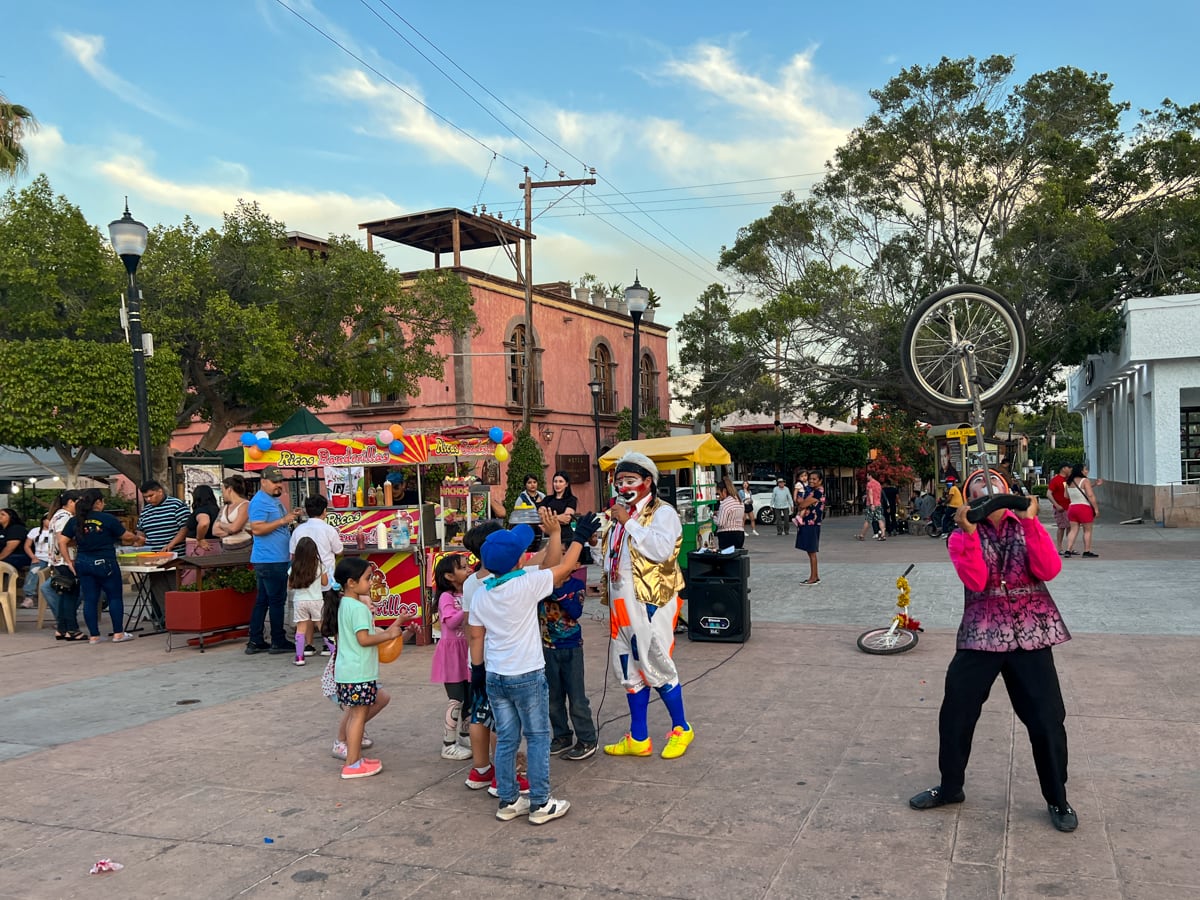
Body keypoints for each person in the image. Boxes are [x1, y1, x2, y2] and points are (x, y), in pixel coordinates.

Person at [909, 477, 1078, 833]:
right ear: (969, 501)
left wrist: (1031, 522)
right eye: (978, 490)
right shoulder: (959, 536)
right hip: (982, 632)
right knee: (956, 712)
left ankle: (1057, 797)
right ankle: (951, 787)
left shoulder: (1027, 526)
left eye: (994, 486)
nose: (987, 493)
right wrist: (970, 533)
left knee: (1047, 720)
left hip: (1032, 632)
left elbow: (1049, 569)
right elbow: (975, 579)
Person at [467, 507, 596, 824]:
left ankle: (509, 800)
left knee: (509, 738)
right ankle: (540, 803)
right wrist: (576, 535)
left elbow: (475, 636)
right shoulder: (526, 585)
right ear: (519, 560)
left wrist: (478, 673)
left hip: (496, 677)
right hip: (526, 675)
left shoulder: (483, 594)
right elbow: (564, 567)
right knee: (538, 737)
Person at [601, 451, 695, 760]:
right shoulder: (619, 516)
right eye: (619, 482)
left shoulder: (662, 512)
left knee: (654, 661)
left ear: (648, 482)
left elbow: (660, 549)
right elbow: (611, 557)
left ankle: (682, 727)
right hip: (620, 601)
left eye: (629, 481)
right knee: (627, 667)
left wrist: (628, 523)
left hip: (650, 601)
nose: (622, 487)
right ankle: (639, 736)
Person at [325, 555, 418, 779]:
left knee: (356, 715)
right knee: (358, 716)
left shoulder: (345, 604)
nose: (370, 583)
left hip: (349, 670)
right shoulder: (358, 608)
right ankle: (352, 764)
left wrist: (394, 631)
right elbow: (364, 639)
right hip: (358, 672)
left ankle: (354, 758)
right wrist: (389, 633)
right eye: (368, 578)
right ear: (351, 583)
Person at [459, 518, 530, 797]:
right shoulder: (503, 580)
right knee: (504, 720)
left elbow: (469, 625)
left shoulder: (469, 583)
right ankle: (506, 774)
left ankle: (480, 769)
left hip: (476, 660)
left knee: (479, 715)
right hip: (500, 660)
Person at [59, 488, 142, 644]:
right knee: (114, 597)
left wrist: (69, 561)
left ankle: (94, 636)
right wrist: (138, 539)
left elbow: (62, 541)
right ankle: (118, 633)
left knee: (90, 599)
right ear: (98, 502)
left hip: (82, 562)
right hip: (105, 562)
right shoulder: (107, 518)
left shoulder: (75, 520)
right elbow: (126, 536)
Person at [246, 465, 302, 655]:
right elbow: (257, 529)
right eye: (275, 482)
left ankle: (255, 640)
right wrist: (283, 520)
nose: (279, 485)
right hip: (271, 559)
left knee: (263, 600)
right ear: (263, 482)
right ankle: (277, 639)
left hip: (271, 558)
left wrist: (289, 518)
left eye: (280, 481)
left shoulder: (271, 500)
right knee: (277, 600)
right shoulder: (260, 502)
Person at [542, 570, 596, 761]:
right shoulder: (543, 583)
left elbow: (575, 612)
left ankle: (587, 738)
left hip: (572, 648)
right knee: (552, 698)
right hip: (548, 648)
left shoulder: (576, 585)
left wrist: (560, 593)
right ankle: (561, 735)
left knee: (577, 696)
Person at [430, 553, 474, 761]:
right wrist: (467, 607)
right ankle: (448, 744)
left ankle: (466, 735)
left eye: (467, 566)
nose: (468, 570)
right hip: (452, 653)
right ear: (449, 576)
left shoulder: (468, 592)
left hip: (468, 650)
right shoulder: (447, 597)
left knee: (470, 697)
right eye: (462, 568)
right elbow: (450, 622)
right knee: (456, 698)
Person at [290, 494, 344, 655]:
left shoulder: (299, 530)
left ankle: (308, 645)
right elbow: (339, 550)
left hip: (304, 580)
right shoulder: (329, 529)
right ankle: (329, 646)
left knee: (304, 615)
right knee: (326, 614)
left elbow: (292, 554)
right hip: (325, 579)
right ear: (325, 511)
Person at [43, 490, 85, 641]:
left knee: (63, 594)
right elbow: (63, 540)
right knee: (70, 596)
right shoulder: (65, 517)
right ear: (71, 502)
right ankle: (72, 629)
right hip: (66, 560)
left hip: (58, 561)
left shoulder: (56, 515)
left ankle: (61, 628)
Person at [288, 536, 328, 667]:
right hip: (316, 600)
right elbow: (325, 582)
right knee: (322, 626)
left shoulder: (294, 567)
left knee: (301, 629)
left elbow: (290, 585)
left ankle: (299, 657)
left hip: (299, 601)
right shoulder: (320, 566)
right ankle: (335, 652)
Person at [136, 481, 190, 553]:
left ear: (160, 491)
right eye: (145, 497)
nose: (148, 499)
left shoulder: (177, 505)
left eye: (151, 496)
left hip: (175, 555)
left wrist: (171, 545)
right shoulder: (145, 511)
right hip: (152, 556)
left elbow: (185, 528)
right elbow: (141, 532)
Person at [1064, 464, 1101, 558]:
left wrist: (1094, 485)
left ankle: (1068, 550)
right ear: (1080, 471)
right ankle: (1086, 551)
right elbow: (1090, 495)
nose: (1087, 471)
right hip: (1084, 508)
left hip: (1072, 508)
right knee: (1087, 530)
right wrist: (1096, 509)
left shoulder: (1069, 481)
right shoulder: (1085, 480)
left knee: (1073, 530)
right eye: (1085, 469)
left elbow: (1066, 496)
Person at [795, 471, 825, 585]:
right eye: (810, 479)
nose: (811, 481)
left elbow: (802, 504)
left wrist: (802, 503)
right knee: (810, 551)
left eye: (814, 479)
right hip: (809, 523)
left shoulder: (818, 492)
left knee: (811, 551)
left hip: (812, 524)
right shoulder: (812, 491)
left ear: (820, 481)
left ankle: (813, 577)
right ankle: (815, 575)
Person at [21, 514, 52, 608]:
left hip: (52, 559)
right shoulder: (35, 531)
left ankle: (50, 599)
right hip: (39, 558)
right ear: (43, 520)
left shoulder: (56, 531)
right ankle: (29, 597)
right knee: (33, 574)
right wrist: (33, 557)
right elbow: (27, 546)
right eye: (48, 519)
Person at [212, 475, 251, 549]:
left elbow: (234, 528)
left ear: (229, 489)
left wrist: (220, 524)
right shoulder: (224, 508)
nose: (222, 494)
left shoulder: (245, 505)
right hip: (226, 547)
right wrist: (230, 532)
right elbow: (214, 531)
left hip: (243, 547)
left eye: (223, 490)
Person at [538, 471, 577, 545]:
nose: (557, 484)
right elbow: (542, 517)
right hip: (549, 535)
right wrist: (559, 517)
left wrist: (549, 518)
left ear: (566, 484)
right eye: (555, 481)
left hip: (566, 537)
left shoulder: (571, 499)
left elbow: (566, 519)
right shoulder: (547, 499)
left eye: (561, 481)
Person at [185, 484, 221, 557]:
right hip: (215, 544)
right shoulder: (216, 510)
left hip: (200, 548)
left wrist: (200, 538)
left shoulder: (202, 510)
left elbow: (204, 523)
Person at [714, 476, 746, 550]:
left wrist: (713, 517)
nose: (718, 497)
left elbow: (721, 523)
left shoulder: (725, 503)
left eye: (718, 493)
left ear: (724, 491)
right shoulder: (739, 500)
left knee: (726, 558)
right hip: (740, 533)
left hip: (727, 535)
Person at [1046, 463, 1072, 554]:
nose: (1070, 470)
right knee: (1061, 527)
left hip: (1070, 507)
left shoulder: (1069, 480)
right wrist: (1056, 505)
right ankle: (1059, 547)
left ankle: (1070, 547)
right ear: (1063, 468)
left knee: (1070, 527)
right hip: (1060, 508)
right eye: (1069, 468)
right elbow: (1049, 494)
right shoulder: (1055, 480)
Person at [0, 508, 33, 577]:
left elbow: (10, 548)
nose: (0, 516)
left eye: (3, 514)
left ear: (11, 517)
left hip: (20, 556)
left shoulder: (16, 528)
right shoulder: (2, 530)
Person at [857, 474, 885, 541]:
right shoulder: (878, 484)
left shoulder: (869, 484)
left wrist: (872, 504)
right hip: (878, 503)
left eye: (867, 475)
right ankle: (883, 535)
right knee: (879, 519)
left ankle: (862, 535)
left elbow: (870, 493)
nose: (866, 477)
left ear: (870, 476)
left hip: (871, 504)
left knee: (868, 520)